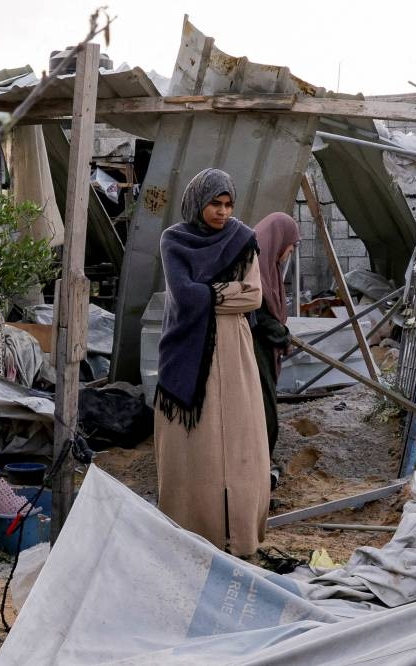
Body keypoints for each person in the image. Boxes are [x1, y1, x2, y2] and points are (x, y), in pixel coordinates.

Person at [154, 168, 270, 558]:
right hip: (187, 351)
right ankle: (191, 534)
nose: (222, 212)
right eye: (214, 204)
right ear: (197, 203)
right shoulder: (174, 240)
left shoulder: (242, 239)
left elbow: (254, 297)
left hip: (233, 351)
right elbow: (183, 296)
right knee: (195, 449)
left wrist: (209, 293)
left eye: (227, 204)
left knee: (239, 441)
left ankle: (239, 536)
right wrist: (227, 292)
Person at [251, 213, 300, 488]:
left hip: (264, 347)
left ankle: (259, 470)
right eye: (291, 244)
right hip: (253, 350)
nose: (290, 251)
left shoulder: (267, 266)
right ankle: (258, 476)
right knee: (263, 412)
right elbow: (256, 311)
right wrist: (281, 334)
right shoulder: (254, 264)